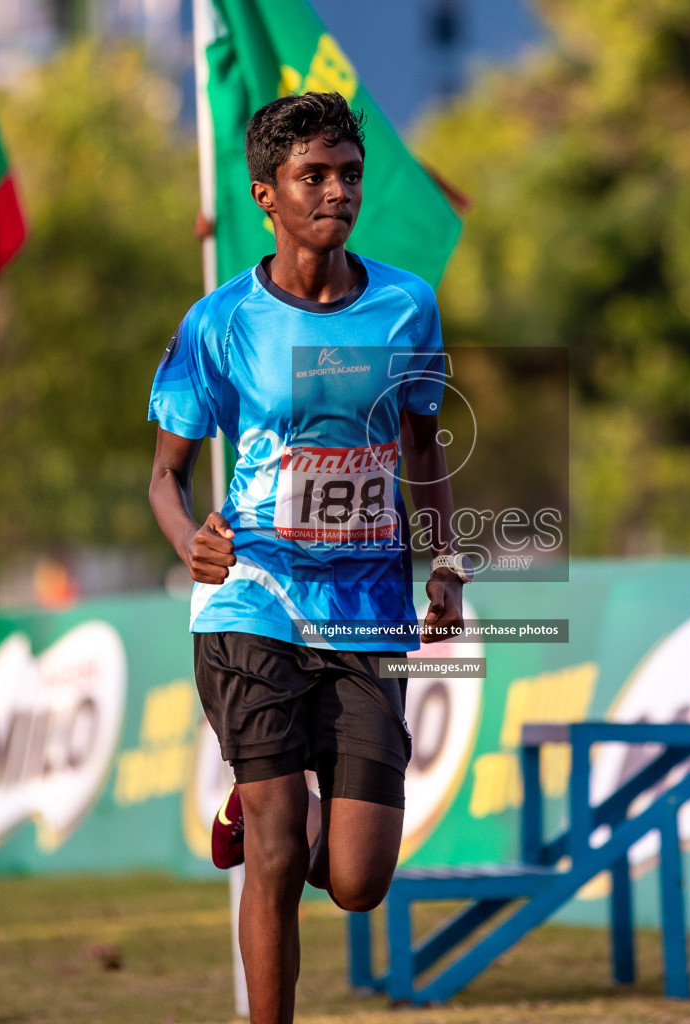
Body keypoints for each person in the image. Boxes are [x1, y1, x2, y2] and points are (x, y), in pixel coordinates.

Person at [147, 92, 470, 1023]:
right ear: (266, 194)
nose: (338, 192)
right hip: (252, 603)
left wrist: (444, 561)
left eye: (349, 175)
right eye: (313, 177)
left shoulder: (407, 305)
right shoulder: (222, 321)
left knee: (359, 880)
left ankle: (265, 807)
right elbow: (165, 478)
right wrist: (190, 543)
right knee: (282, 856)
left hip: (367, 612)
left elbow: (422, 449)